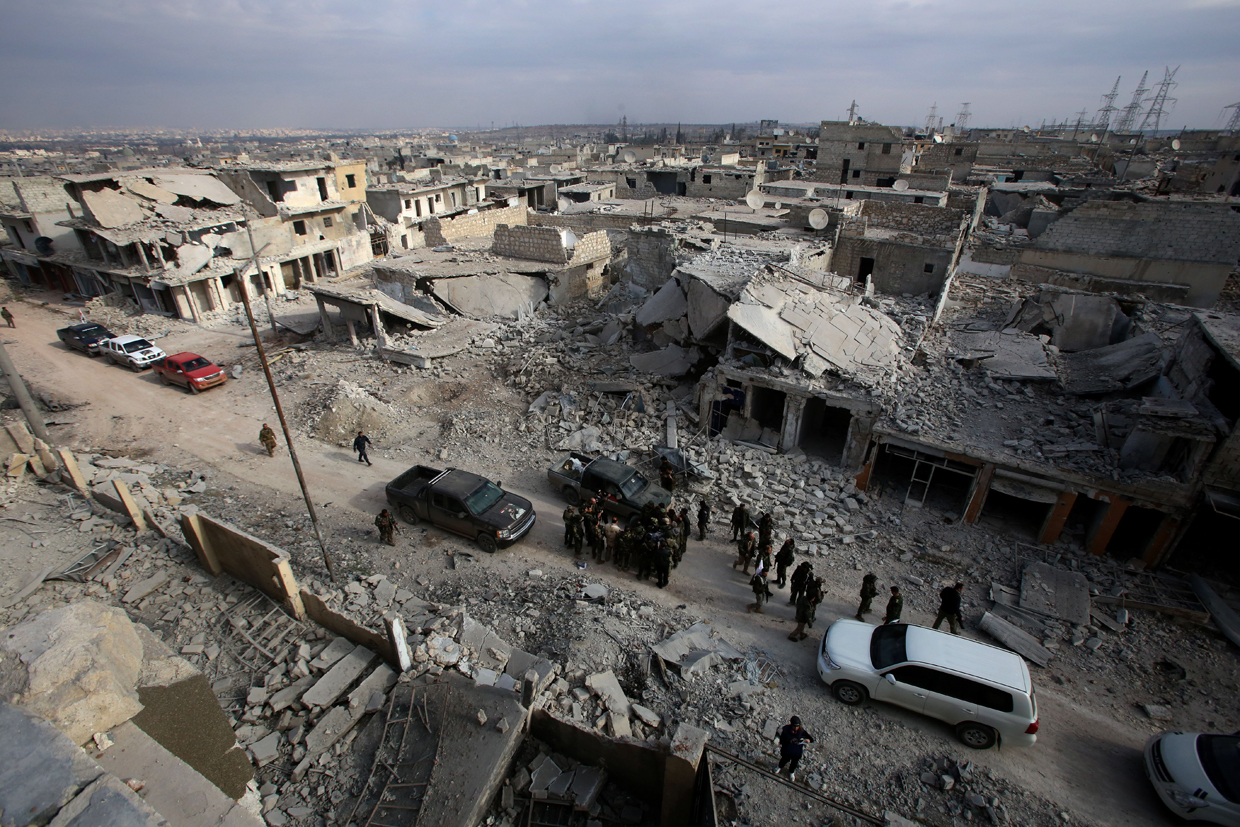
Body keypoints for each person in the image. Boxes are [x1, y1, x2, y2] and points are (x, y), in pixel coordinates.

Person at [774, 716, 814, 781]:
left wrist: (807, 740)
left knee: (794, 764)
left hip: (796, 753)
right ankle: (779, 767)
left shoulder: (801, 731)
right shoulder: (786, 730)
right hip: (787, 751)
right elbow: (781, 741)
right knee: (783, 761)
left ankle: (791, 773)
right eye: (794, 726)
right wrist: (789, 741)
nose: (796, 728)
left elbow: (811, 739)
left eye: (797, 726)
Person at [788, 577, 824, 642]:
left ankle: (802, 634)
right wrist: (810, 624)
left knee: (801, 626)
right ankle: (792, 635)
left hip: (799, 615)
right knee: (800, 627)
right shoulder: (808, 606)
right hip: (802, 617)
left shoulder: (804, 599)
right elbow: (808, 615)